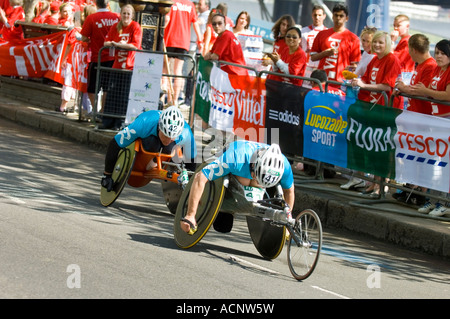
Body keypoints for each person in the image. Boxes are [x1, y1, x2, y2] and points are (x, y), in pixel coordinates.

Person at [179, 141, 294, 235]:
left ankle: (257, 192)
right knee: (222, 226)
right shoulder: (235, 158)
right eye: (256, 177)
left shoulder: (283, 166)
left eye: (261, 182)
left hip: (252, 180)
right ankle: (228, 207)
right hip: (234, 173)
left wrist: (288, 219)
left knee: (224, 227)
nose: (257, 182)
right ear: (254, 165)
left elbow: (289, 191)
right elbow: (200, 177)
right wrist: (190, 215)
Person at [351, 31, 402, 197]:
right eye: (375, 43)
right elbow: (364, 79)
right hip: (372, 109)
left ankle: (382, 184)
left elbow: (388, 86)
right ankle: (374, 182)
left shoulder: (392, 59)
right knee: (372, 145)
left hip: (385, 110)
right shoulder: (374, 59)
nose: (377, 45)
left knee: (382, 147)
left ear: (387, 43)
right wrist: (355, 80)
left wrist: (364, 86)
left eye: (381, 42)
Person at [101, 106, 197, 192]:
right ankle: (152, 160)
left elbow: (192, 159)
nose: (168, 140)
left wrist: (189, 182)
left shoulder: (186, 133)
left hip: (167, 147)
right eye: (166, 135)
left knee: (170, 149)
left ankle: (156, 160)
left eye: (172, 137)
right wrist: (107, 175)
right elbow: (115, 143)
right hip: (148, 138)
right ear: (160, 127)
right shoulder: (143, 123)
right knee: (152, 144)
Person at [408, 39, 450, 217]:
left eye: (442, 53)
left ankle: (445, 202)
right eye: (437, 52)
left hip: (446, 121)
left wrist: (426, 91)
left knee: (446, 164)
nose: (438, 56)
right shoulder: (435, 70)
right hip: (434, 121)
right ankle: (434, 200)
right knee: (435, 162)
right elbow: (424, 89)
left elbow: (447, 96)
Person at [101, 4, 142, 130]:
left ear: (132, 16)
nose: (125, 16)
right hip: (116, 66)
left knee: (123, 96)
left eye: (128, 14)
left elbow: (135, 45)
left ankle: (119, 123)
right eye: (123, 13)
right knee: (112, 94)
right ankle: (107, 121)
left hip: (128, 68)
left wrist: (120, 45)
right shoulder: (116, 26)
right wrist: (115, 43)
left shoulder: (135, 26)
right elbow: (106, 42)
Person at [80, 0, 120, 112]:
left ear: (96, 4)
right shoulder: (116, 17)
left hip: (96, 57)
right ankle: (102, 110)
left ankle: (96, 111)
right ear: (108, 4)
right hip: (112, 58)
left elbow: (84, 38)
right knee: (107, 86)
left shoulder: (91, 18)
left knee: (92, 87)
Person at [162, 0, 202, 106]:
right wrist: (200, 39)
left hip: (169, 38)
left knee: (165, 69)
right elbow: (195, 23)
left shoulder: (172, 2)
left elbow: (167, 19)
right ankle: (174, 100)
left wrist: (161, 32)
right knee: (178, 71)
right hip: (183, 41)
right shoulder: (190, 4)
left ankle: (163, 98)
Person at [310, 4, 360, 88]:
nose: (338, 18)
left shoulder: (353, 38)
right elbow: (313, 57)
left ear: (346, 18)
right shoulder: (322, 34)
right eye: (336, 15)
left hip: (341, 84)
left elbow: (355, 65)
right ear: (332, 16)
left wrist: (349, 71)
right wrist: (325, 53)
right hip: (322, 82)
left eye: (341, 16)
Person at [395, 33, 436, 114]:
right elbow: (416, 87)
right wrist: (403, 88)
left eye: (409, 50)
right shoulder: (421, 64)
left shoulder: (430, 66)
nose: (409, 53)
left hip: (422, 115)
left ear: (414, 50)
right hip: (414, 113)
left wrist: (403, 88)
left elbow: (422, 92)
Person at [301, 5, 327, 81]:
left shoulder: (327, 33)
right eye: (315, 15)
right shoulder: (303, 31)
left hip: (319, 70)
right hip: (305, 69)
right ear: (312, 15)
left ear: (324, 16)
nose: (317, 17)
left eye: (319, 15)